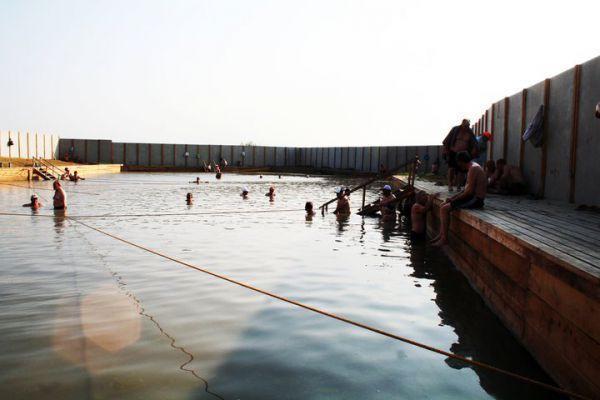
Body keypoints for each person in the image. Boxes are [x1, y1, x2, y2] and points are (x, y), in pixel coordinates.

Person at [431, 151, 486, 247]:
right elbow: (466, 190)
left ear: (461, 162)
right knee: (443, 204)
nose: (459, 166)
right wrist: (452, 198)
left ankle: (444, 239)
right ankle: (441, 234)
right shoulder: (472, 167)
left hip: (476, 200)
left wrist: (453, 201)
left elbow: (469, 192)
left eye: (458, 163)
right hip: (472, 197)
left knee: (444, 208)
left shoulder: (473, 169)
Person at [442, 119, 478, 192]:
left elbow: (474, 142)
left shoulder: (469, 132)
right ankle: (450, 185)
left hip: (463, 153)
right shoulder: (455, 129)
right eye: (465, 126)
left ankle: (458, 186)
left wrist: (474, 149)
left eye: (468, 126)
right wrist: (446, 149)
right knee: (451, 168)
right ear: (462, 124)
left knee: (461, 170)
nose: (466, 127)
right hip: (453, 151)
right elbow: (447, 139)